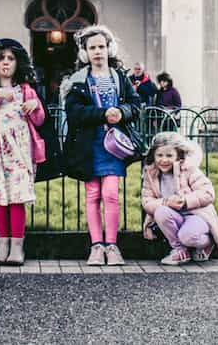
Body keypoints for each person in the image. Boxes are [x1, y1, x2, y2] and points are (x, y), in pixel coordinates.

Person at [63, 25, 142, 266]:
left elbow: (135, 105)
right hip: (89, 146)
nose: (98, 51)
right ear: (85, 52)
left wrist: (121, 111)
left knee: (110, 195)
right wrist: (102, 114)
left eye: (101, 46)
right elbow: (74, 112)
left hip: (113, 146)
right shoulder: (78, 81)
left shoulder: (120, 78)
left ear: (109, 48)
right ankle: (96, 246)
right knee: (93, 194)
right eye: (92, 47)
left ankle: (112, 245)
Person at [0, 39, 47, 266]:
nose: (6, 62)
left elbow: (39, 119)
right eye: (1, 58)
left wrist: (36, 107)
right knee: (0, 200)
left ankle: (16, 248)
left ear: (18, 63)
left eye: (10, 58)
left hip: (20, 153)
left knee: (17, 199)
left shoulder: (25, 89)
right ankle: (2, 246)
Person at [142, 131, 218, 265]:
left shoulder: (188, 169)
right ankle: (180, 250)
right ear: (154, 155)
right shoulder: (151, 173)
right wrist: (165, 202)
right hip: (174, 216)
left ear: (178, 155)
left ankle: (207, 243)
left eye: (169, 155)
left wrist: (186, 201)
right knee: (161, 210)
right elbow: (147, 202)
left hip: (196, 215)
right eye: (159, 155)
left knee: (186, 237)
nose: (164, 160)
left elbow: (208, 193)